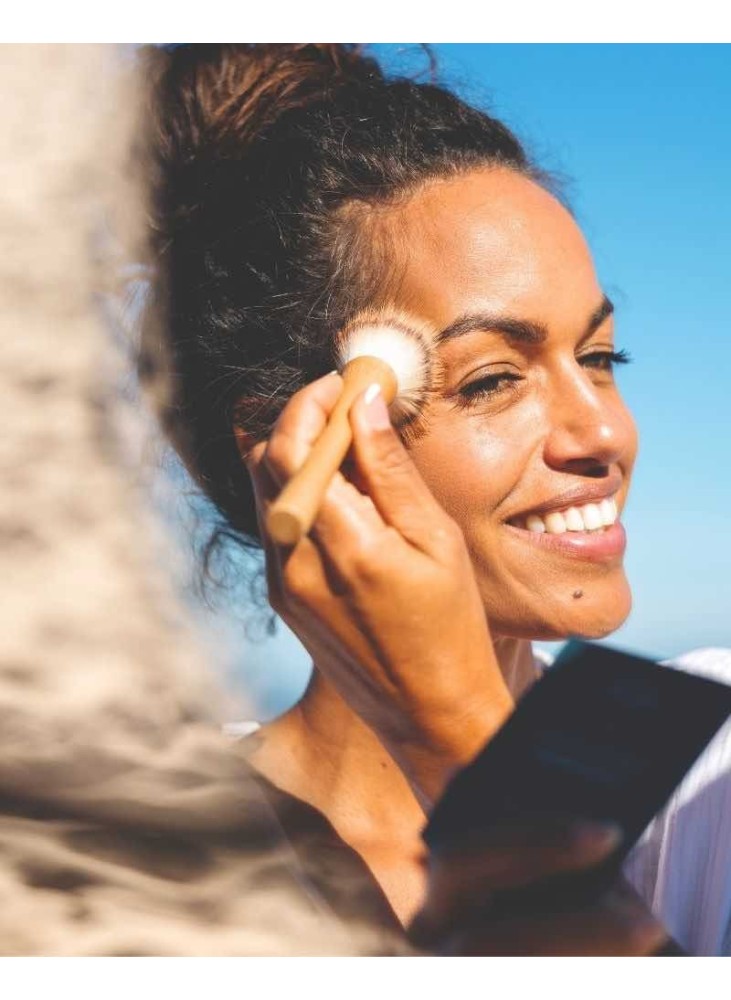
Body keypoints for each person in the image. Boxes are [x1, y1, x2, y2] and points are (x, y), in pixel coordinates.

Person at [142, 43, 731, 955]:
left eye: (598, 358)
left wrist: (454, 739)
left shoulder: (710, 772)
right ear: (293, 451)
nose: (603, 434)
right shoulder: (127, 860)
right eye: (491, 379)